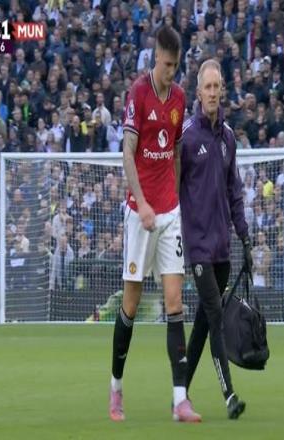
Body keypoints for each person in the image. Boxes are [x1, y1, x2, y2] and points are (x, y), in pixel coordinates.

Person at [109, 26, 201, 423]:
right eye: (166, 65)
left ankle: (180, 399)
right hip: (139, 213)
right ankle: (116, 387)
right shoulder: (138, 93)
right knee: (130, 304)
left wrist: (174, 199)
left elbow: (176, 152)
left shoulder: (179, 97)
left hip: (168, 213)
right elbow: (127, 152)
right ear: (155, 59)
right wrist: (143, 203)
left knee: (175, 302)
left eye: (175, 66)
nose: (170, 72)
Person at [180, 59, 251, 419]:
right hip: (197, 247)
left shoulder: (228, 138)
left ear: (222, 90)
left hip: (222, 247)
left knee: (202, 325)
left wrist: (245, 239)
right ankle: (229, 395)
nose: (212, 93)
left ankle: (179, 393)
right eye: (207, 87)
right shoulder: (186, 137)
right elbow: (171, 187)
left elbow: (234, 191)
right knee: (216, 315)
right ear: (198, 92)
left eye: (216, 87)